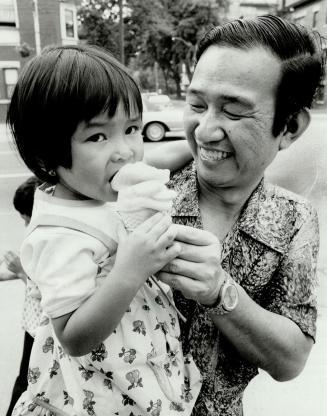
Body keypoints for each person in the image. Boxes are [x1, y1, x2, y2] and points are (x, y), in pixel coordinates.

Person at [6, 44, 201, 415]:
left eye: (131, 129)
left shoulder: (94, 187)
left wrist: (197, 146)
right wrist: (130, 270)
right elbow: (73, 336)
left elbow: (158, 157)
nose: (125, 151)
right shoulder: (58, 235)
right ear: (48, 157)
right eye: (97, 137)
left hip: (140, 369)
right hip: (102, 392)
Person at [156, 15, 325, 415]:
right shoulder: (148, 190)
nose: (204, 131)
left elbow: (291, 359)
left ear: (290, 127)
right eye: (197, 104)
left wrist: (220, 292)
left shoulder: (294, 221)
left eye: (233, 112)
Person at [0, 176, 43, 416]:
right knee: (24, 382)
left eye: (25, 216)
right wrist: (15, 270)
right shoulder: (35, 238)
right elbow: (9, 273)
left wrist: (21, 271)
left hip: (44, 330)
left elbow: (46, 292)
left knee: (28, 385)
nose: (24, 222)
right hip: (32, 327)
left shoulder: (51, 242)